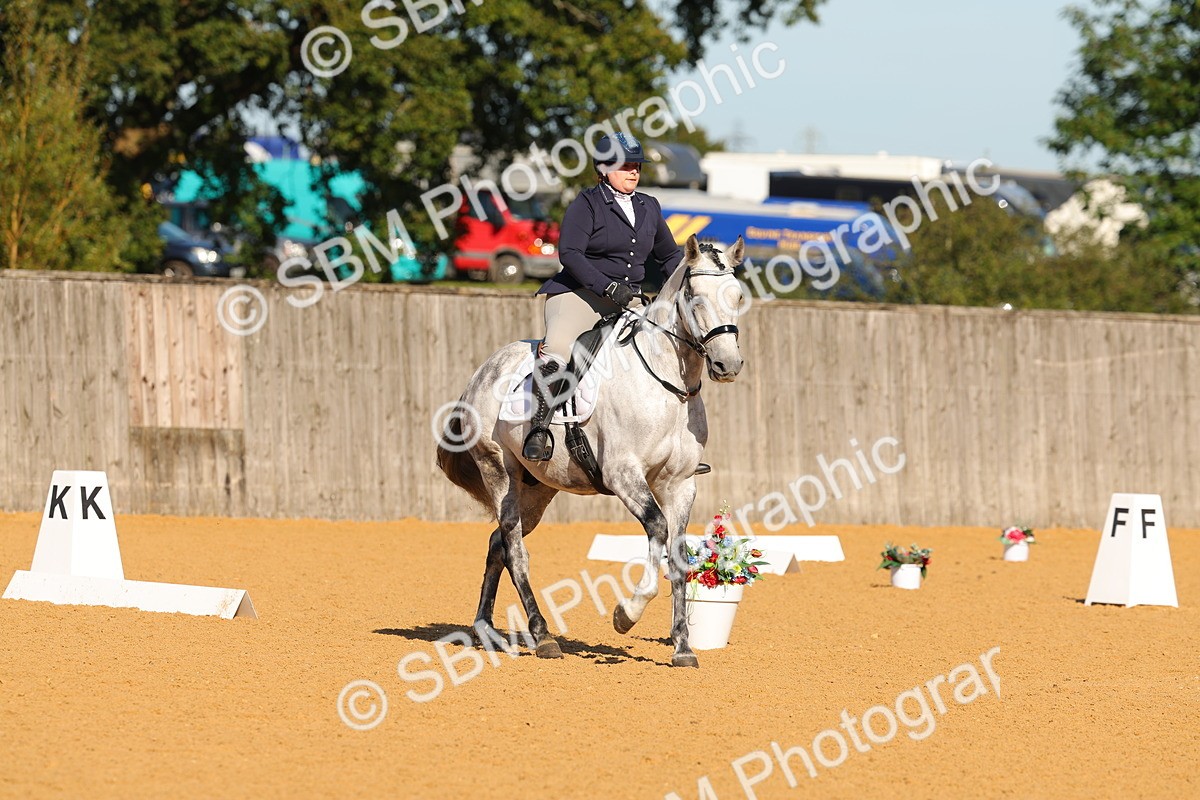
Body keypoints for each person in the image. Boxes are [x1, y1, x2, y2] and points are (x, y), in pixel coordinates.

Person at [522, 132, 684, 462]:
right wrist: (607, 287)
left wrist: (685, 284)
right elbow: (570, 253)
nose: (633, 172)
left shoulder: (648, 206)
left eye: (636, 166)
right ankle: (538, 430)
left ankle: (672, 444)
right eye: (625, 166)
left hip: (630, 300)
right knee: (559, 345)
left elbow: (668, 256)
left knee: (666, 348)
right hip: (579, 295)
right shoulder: (587, 204)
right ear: (603, 168)